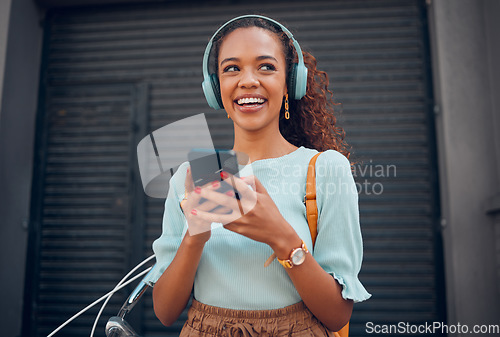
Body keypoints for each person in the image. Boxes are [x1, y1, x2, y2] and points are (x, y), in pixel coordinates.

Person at [149, 15, 371, 337]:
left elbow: (337, 315)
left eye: (266, 67)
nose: (248, 80)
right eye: (231, 68)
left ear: (289, 83)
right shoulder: (195, 173)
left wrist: (281, 237)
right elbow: (165, 312)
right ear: (216, 89)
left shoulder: (324, 169)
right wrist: (195, 235)